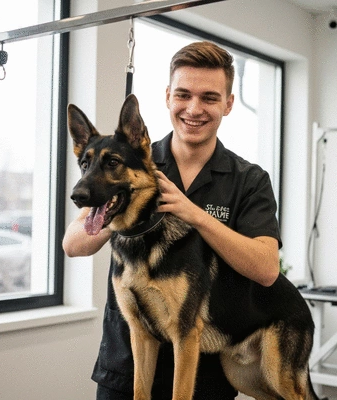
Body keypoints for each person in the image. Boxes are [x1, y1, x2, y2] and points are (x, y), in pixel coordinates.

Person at [63, 41, 281, 400]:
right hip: (126, 370)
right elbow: (73, 245)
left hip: (205, 376)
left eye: (209, 97)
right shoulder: (131, 163)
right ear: (167, 97)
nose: (194, 109)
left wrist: (193, 213)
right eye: (183, 94)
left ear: (228, 103)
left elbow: (266, 268)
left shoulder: (248, 179)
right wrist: (117, 206)